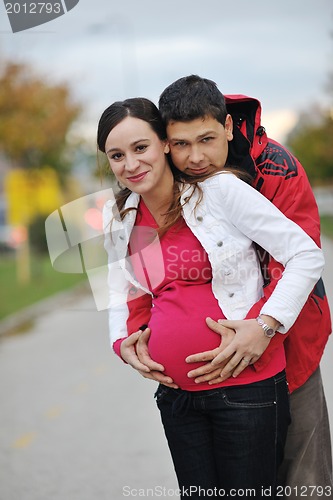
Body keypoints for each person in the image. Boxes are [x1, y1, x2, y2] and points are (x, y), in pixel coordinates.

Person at [98, 97, 324, 498]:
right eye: (117, 155)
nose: (130, 164)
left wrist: (265, 325)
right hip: (177, 398)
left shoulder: (218, 192)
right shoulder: (119, 217)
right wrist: (121, 343)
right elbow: (121, 287)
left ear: (164, 144)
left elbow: (305, 254)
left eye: (140, 148)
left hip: (246, 388)